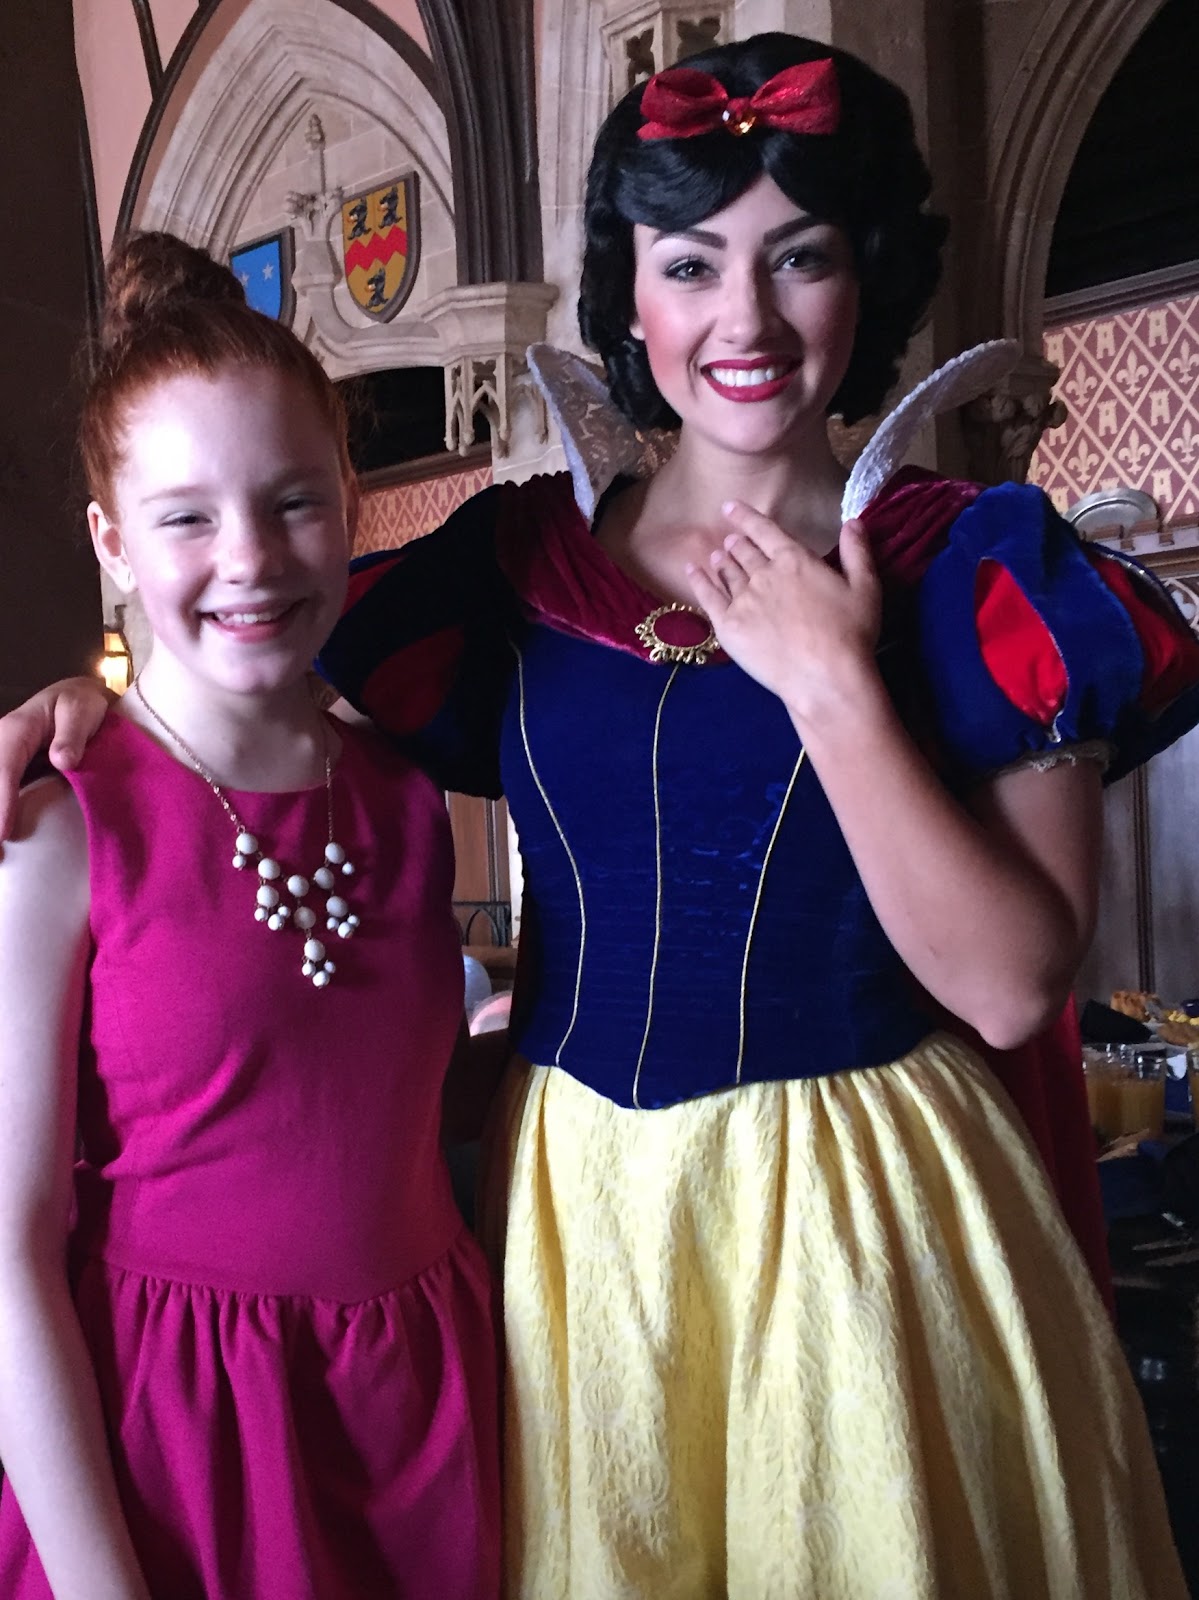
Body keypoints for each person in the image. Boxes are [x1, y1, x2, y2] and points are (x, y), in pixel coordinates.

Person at [3, 33, 1196, 1600]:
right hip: (579, 1229)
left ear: (872, 275)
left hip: (860, 1224)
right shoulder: (519, 565)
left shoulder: (974, 565)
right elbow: (255, 687)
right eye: (690, 263)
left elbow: (1013, 983)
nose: (744, 319)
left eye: (803, 256)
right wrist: (94, 713)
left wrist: (830, 683)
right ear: (629, 295)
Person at [0, 234, 500, 1600]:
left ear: (349, 499)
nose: (252, 559)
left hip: (421, 1414)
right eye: (186, 519)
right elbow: (9, 1255)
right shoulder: (56, 834)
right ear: (111, 542)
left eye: (293, 502)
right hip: (181, 1443)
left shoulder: (407, 789)